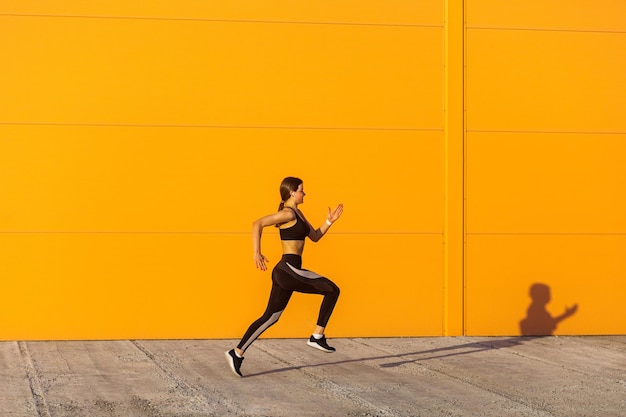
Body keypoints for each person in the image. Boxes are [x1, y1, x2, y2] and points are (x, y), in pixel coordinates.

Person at [225, 177, 344, 377]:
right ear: (292, 193)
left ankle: (236, 352)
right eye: (302, 191)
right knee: (332, 289)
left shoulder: (298, 213)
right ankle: (317, 335)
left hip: (289, 271)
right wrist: (257, 252)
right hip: (288, 269)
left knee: (271, 316)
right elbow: (257, 224)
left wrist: (329, 221)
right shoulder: (287, 214)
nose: (304, 194)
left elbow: (314, 236)